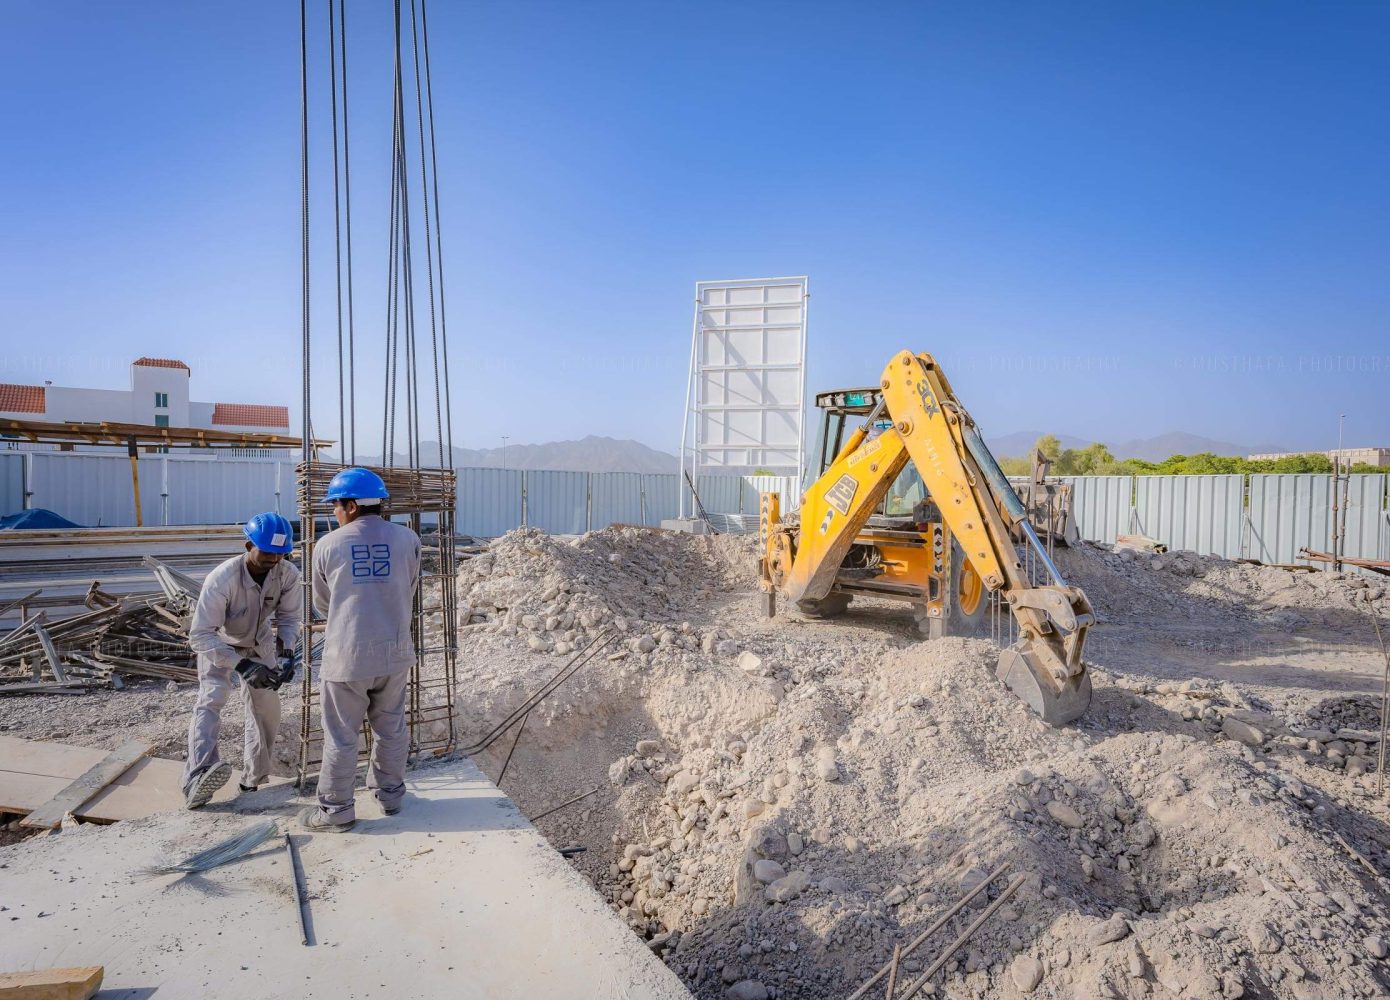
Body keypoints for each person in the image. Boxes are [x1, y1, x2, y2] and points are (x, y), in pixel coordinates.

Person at [300, 467, 421, 832]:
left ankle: (336, 811)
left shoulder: (328, 544)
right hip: (394, 652)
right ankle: (391, 796)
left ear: (351, 506)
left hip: (347, 656)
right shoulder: (408, 539)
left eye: (336, 505)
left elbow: (323, 603)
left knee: (341, 735)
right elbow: (410, 588)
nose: (334, 511)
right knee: (392, 727)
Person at [183, 511, 302, 809]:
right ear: (249, 546)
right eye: (267, 553)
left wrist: (287, 653)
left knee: (266, 710)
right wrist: (241, 666)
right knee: (211, 700)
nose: (274, 560)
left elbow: (289, 618)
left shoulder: (288, 574)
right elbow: (200, 636)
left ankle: (253, 779)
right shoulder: (222, 579)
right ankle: (198, 777)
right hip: (219, 645)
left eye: (281, 554)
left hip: (258, 644)